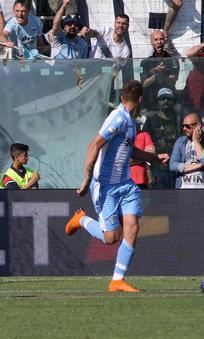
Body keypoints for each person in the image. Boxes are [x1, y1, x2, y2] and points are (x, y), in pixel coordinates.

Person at [65, 80, 169, 292]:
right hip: (105, 186)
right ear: (140, 100)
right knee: (111, 238)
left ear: (122, 97)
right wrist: (86, 177)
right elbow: (95, 144)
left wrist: (155, 158)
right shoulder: (117, 118)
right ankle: (80, 219)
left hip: (126, 185)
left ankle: (117, 280)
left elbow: (131, 152)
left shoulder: (131, 122)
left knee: (132, 227)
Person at [142, 87, 179, 188]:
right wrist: (148, 171)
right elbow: (144, 147)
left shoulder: (179, 120)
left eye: (169, 99)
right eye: (162, 99)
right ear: (158, 102)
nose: (165, 101)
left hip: (177, 169)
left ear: (173, 102)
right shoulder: (150, 121)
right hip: (157, 170)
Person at [140, 30, 180, 112]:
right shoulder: (145, 62)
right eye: (156, 39)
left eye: (161, 39)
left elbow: (172, 83)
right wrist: (155, 75)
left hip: (168, 100)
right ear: (151, 43)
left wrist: (161, 74)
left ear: (165, 41)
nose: (159, 42)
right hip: (150, 100)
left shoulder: (173, 61)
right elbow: (144, 84)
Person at [169, 113, 204, 189]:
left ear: (198, 125)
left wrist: (196, 142)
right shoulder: (180, 141)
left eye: (187, 126)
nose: (184, 129)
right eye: (183, 126)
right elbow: (173, 165)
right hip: (183, 189)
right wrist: (199, 166)